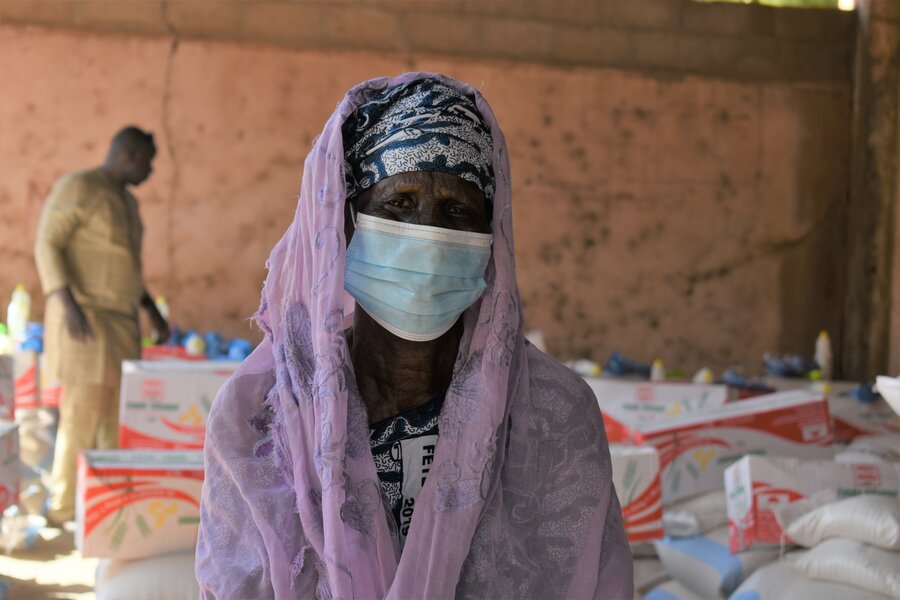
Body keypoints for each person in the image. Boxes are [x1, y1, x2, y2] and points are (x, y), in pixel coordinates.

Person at [196, 74, 632, 599]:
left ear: (491, 238)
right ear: (346, 224)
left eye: (457, 211)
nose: (429, 236)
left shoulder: (554, 413)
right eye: (399, 204)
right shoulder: (260, 414)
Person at [34, 126, 169, 525]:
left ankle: (103, 506)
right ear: (126, 154)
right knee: (81, 415)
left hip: (121, 323)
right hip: (85, 319)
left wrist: (151, 308)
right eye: (147, 161)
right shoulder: (79, 187)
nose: (150, 171)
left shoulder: (127, 202)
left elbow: (124, 266)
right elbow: (47, 244)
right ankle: (61, 510)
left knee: (114, 419)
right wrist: (65, 301)